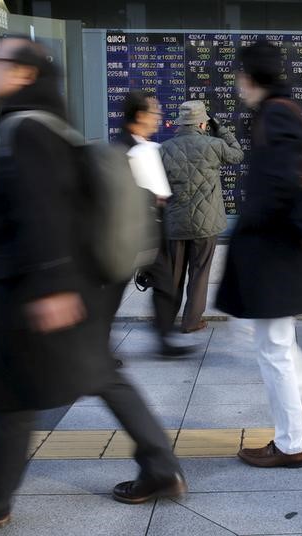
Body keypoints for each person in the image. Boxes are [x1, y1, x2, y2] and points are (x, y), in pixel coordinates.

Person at [0, 37, 185, 534]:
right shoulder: (50, 126)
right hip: (73, 283)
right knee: (100, 371)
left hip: (38, 288)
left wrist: (51, 286)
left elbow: (43, 211)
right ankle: (160, 467)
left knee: (15, 393)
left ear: (22, 74)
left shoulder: (25, 130)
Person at [216, 41, 302, 468]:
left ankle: (291, 442)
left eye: (239, 76)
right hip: (282, 253)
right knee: (272, 343)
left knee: (273, 348)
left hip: (276, 255)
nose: (237, 85)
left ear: (250, 77)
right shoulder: (280, 111)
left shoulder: (276, 114)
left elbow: (279, 188)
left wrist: (248, 232)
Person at [119, 91, 198, 356]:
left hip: (151, 228)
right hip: (129, 232)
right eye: (154, 113)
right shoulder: (124, 148)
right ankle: (97, 348)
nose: (158, 118)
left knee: (165, 284)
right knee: (111, 292)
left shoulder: (146, 146)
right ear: (140, 116)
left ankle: (164, 339)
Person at [160, 100, 244, 333]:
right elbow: (238, 155)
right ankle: (191, 322)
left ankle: (165, 322)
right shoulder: (215, 145)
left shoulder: (164, 148)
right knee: (199, 273)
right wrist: (222, 129)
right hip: (206, 224)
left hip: (175, 222)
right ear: (202, 123)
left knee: (173, 274)